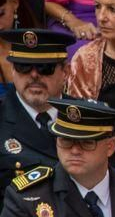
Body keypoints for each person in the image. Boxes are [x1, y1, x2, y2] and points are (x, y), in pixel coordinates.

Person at [1, 28, 72, 176]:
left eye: (44, 68)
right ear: (13, 70)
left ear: (65, 72)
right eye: (24, 66)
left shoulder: (88, 117)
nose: (34, 75)